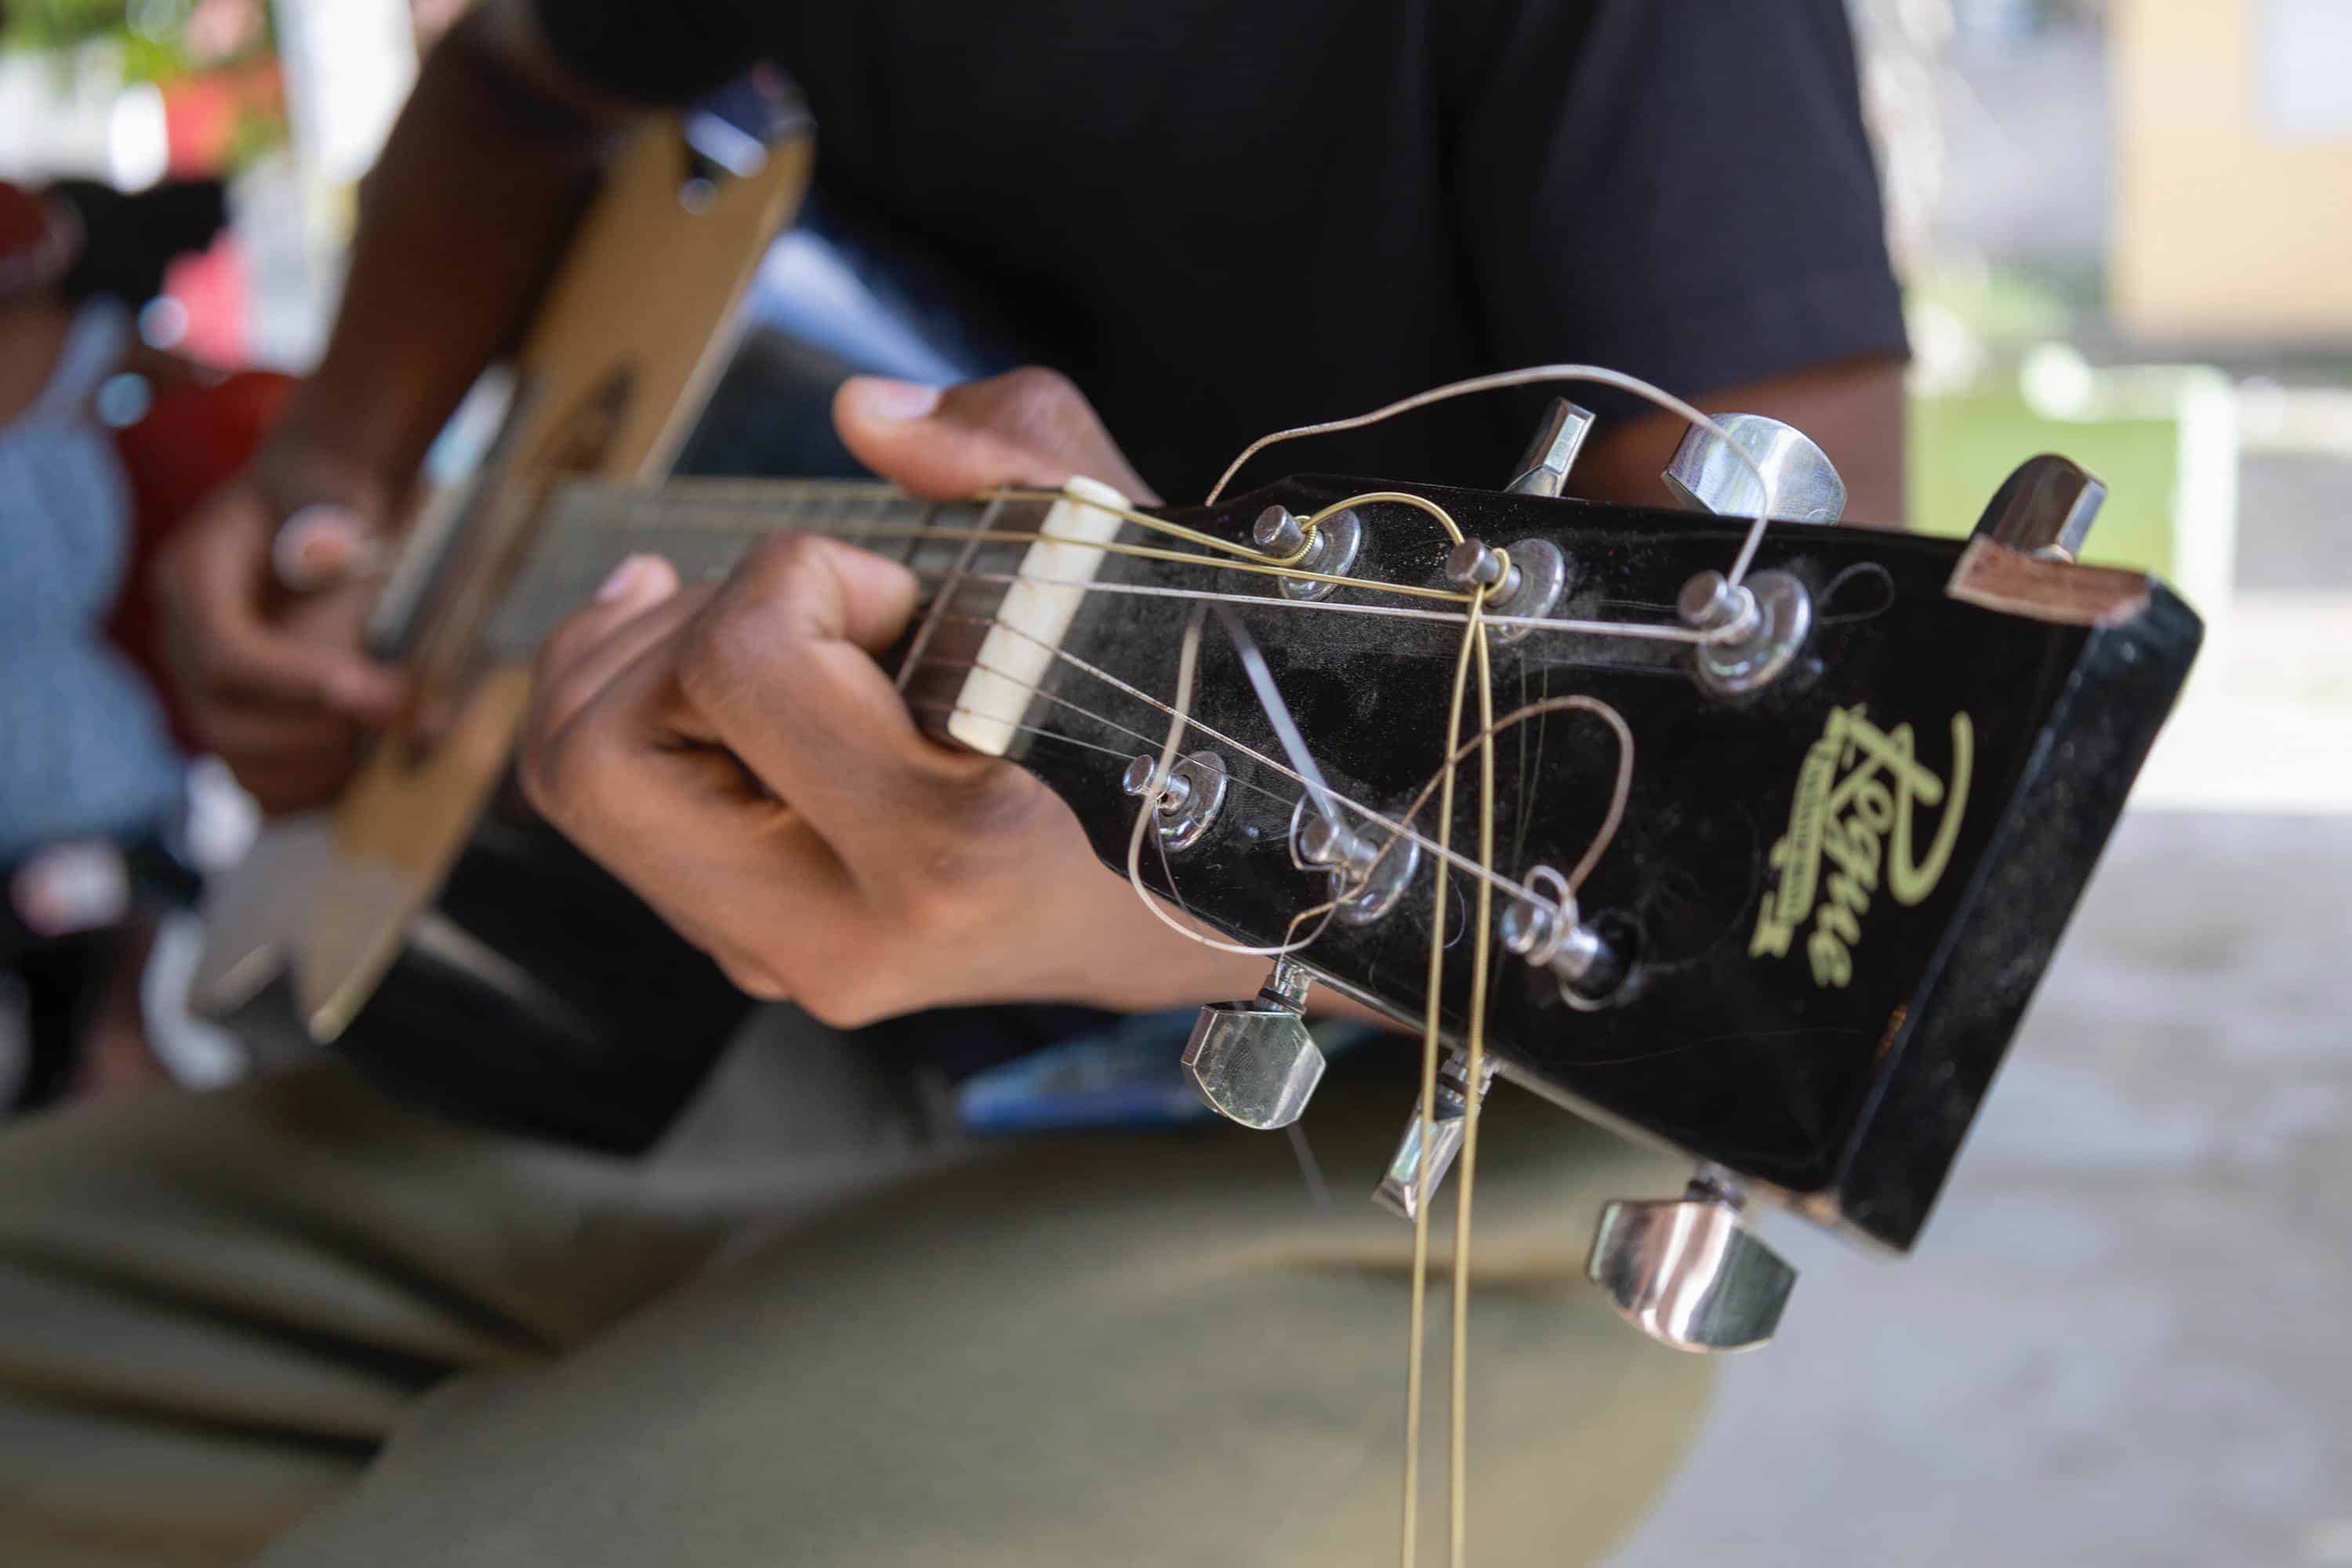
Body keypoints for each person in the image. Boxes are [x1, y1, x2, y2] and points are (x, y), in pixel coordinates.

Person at [0, 2, 1908, 1563]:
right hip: (709, 1017)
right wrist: (334, 476)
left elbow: (1762, 768)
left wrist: (1176, 877)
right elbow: (511, 89)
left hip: (1406, 1113)